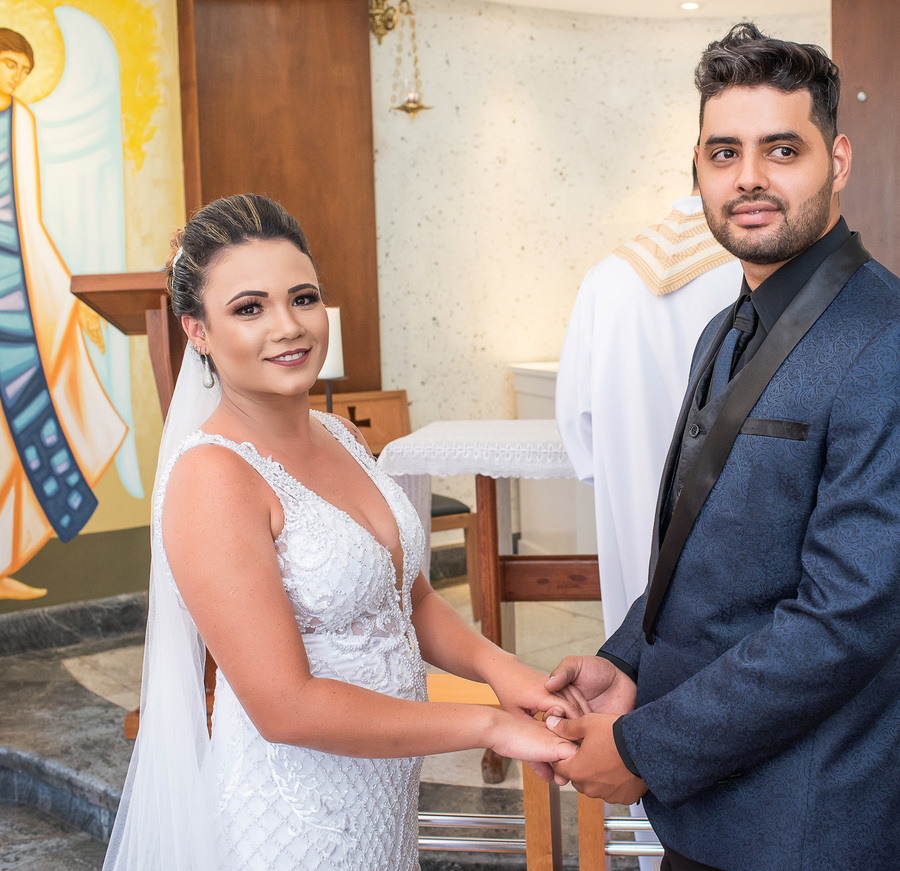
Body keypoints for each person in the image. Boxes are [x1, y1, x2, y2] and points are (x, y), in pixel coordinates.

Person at [544, 23, 900, 871]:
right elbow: (704, 550)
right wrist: (626, 658)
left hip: (814, 823)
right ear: (698, 168)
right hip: (713, 816)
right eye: (723, 152)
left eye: (783, 149)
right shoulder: (724, 327)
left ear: (838, 159)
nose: (748, 177)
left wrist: (643, 748)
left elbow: (842, 624)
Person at [104, 194, 577, 871]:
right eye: (248, 308)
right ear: (197, 331)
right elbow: (285, 706)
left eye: (302, 298)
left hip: (382, 795)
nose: (287, 326)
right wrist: (488, 723)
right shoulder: (213, 478)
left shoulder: (340, 435)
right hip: (296, 823)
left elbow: (407, 600)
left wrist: (507, 674)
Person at [556, 170, 741, 635]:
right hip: (736, 509)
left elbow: (577, 425)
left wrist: (629, 478)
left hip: (630, 498)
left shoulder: (605, 277)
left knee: (634, 647)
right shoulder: (750, 268)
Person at [0, 27, 127, 600]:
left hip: (15, 288)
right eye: (5, 65)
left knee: (23, 418)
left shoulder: (19, 120)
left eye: (21, 72)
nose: (12, 79)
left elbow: (27, 217)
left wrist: (72, 294)